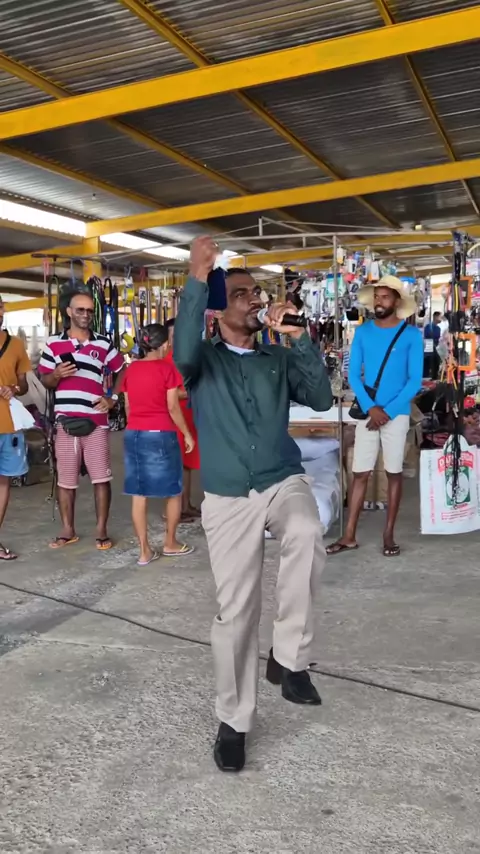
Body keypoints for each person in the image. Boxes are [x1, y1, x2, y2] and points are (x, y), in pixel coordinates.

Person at [174, 237, 332, 773]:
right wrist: (198, 275)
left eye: (257, 293)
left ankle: (288, 659)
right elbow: (182, 349)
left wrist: (300, 338)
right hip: (227, 494)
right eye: (242, 293)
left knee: (307, 529)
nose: (255, 299)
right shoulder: (202, 361)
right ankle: (234, 721)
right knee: (236, 613)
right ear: (220, 309)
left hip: (280, 478)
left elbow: (321, 399)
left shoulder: (277, 358)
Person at [327, 275, 423, 559]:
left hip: (396, 413)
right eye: (377, 297)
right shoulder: (363, 332)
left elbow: (414, 381)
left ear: (396, 301)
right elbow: (353, 375)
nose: (379, 301)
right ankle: (349, 535)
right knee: (360, 473)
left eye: (385, 297)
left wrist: (387, 411)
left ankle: (388, 534)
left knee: (394, 473)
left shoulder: (411, 335)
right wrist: (372, 408)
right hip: (368, 413)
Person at [38, 291, 125, 550]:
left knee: (101, 478)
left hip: (96, 420)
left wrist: (113, 398)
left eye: (89, 310)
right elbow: (45, 380)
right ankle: (68, 529)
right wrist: (56, 374)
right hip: (65, 421)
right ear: (69, 312)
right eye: (80, 310)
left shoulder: (103, 343)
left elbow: (123, 370)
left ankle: (101, 530)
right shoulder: (53, 344)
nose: (86, 314)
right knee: (65, 480)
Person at [121, 324, 195, 564]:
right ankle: (170, 543)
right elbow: (173, 407)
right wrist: (186, 433)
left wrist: (136, 424)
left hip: (134, 433)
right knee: (173, 491)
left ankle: (144, 551)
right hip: (161, 433)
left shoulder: (131, 369)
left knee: (138, 493)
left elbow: (128, 405)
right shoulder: (167, 368)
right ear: (164, 344)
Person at [0, 296, 31, 560]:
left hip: (9, 425)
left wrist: (14, 388)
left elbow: (24, 385)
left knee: (3, 483)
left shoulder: (16, 345)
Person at [165, 318, 201, 521]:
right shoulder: (167, 360)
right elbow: (169, 394)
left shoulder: (186, 358)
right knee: (177, 465)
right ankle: (174, 511)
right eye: (173, 336)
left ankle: (186, 505)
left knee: (187, 464)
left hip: (190, 415)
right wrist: (195, 391)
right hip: (176, 418)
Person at [423, 311, 442, 379]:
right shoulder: (429, 327)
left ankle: (429, 375)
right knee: (432, 361)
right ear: (435, 317)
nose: (441, 319)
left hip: (431, 348)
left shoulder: (436, 328)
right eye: (440, 317)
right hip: (430, 347)